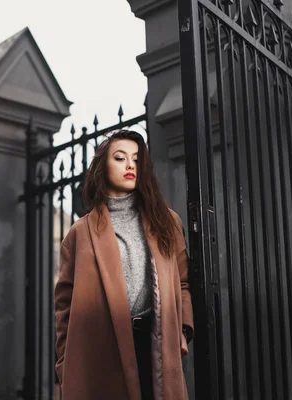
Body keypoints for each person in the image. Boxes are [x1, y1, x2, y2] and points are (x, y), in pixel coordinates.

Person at [54, 129, 193, 400]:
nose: (130, 165)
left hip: (157, 342)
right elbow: (64, 308)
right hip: (102, 350)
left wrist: (183, 330)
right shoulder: (79, 234)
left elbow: (183, 281)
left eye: (137, 159)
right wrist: (65, 365)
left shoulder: (167, 221)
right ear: (102, 167)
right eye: (120, 158)